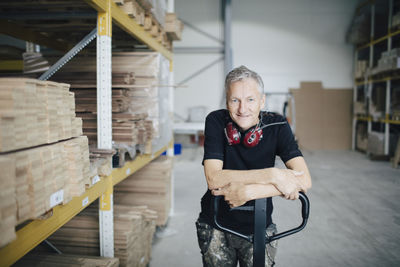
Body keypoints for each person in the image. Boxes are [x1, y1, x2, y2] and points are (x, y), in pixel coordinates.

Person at [195, 65, 312, 267]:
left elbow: (304, 180)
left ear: (262, 100)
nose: (242, 109)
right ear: (227, 101)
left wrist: (251, 192)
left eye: (250, 99)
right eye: (235, 100)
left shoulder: (278, 125)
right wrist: (273, 175)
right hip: (216, 224)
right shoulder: (215, 121)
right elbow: (214, 178)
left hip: (259, 225)